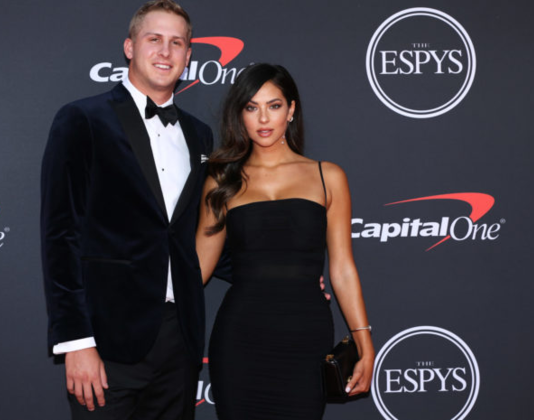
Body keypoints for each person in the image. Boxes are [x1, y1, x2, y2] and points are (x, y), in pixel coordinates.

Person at [40, 1, 214, 419]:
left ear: (188, 55)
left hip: (179, 341)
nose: (165, 52)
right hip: (106, 341)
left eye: (177, 43)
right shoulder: (82, 119)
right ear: (130, 47)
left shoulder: (200, 134)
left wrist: (285, 269)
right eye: (154, 39)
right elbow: (60, 235)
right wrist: (77, 341)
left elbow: (197, 231)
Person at [195, 63, 375, 419]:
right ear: (239, 114)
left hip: (305, 340)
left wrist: (364, 342)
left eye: (274, 105)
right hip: (240, 340)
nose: (263, 118)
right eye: (251, 107)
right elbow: (197, 268)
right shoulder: (221, 180)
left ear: (291, 110)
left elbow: (342, 269)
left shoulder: (328, 176)